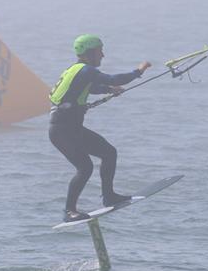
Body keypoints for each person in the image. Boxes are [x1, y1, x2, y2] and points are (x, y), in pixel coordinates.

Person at [49, 34, 152, 223]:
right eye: (99, 51)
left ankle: (109, 196)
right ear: (89, 54)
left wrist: (108, 91)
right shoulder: (85, 70)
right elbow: (112, 78)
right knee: (85, 167)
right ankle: (69, 211)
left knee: (109, 153)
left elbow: (89, 88)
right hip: (62, 131)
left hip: (70, 129)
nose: (102, 55)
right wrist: (138, 71)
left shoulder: (77, 70)